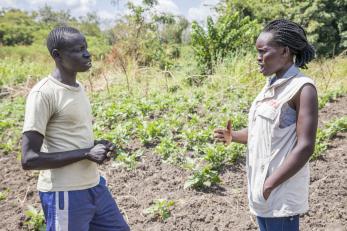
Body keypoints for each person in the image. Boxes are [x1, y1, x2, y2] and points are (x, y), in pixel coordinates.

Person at [21, 26, 130, 231]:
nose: (87, 53)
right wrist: (86, 153)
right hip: (65, 193)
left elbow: (70, 137)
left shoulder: (79, 88)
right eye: (79, 49)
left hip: (94, 186)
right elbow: (29, 159)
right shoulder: (43, 94)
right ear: (57, 55)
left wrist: (96, 147)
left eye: (86, 47)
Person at [214, 19, 318, 231]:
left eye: (263, 52)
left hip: (279, 195)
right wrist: (233, 136)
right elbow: (261, 133)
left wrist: (270, 185)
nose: (258, 58)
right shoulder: (270, 86)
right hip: (262, 193)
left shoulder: (302, 88)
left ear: (285, 51)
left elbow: (305, 146)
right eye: (257, 52)